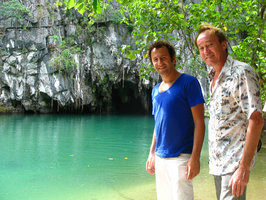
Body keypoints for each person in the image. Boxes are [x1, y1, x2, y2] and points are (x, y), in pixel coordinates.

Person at [195, 23, 264, 200]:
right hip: (218, 162)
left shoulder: (242, 72)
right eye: (201, 48)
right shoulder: (212, 75)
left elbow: (256, 120)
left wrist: (244, 168)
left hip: (234, 163)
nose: (206, 51)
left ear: (223, 44)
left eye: (209, 45)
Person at [146, 40, 205, 200]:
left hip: (181, 157)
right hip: (160, 157)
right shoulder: (155, 91)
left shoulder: (189, 83)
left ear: (173, 59)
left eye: (163, 58)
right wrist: (152, 152)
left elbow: (199, 122)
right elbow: (158, 124)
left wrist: (195, 157)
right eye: (155, 59)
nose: (160, 63)